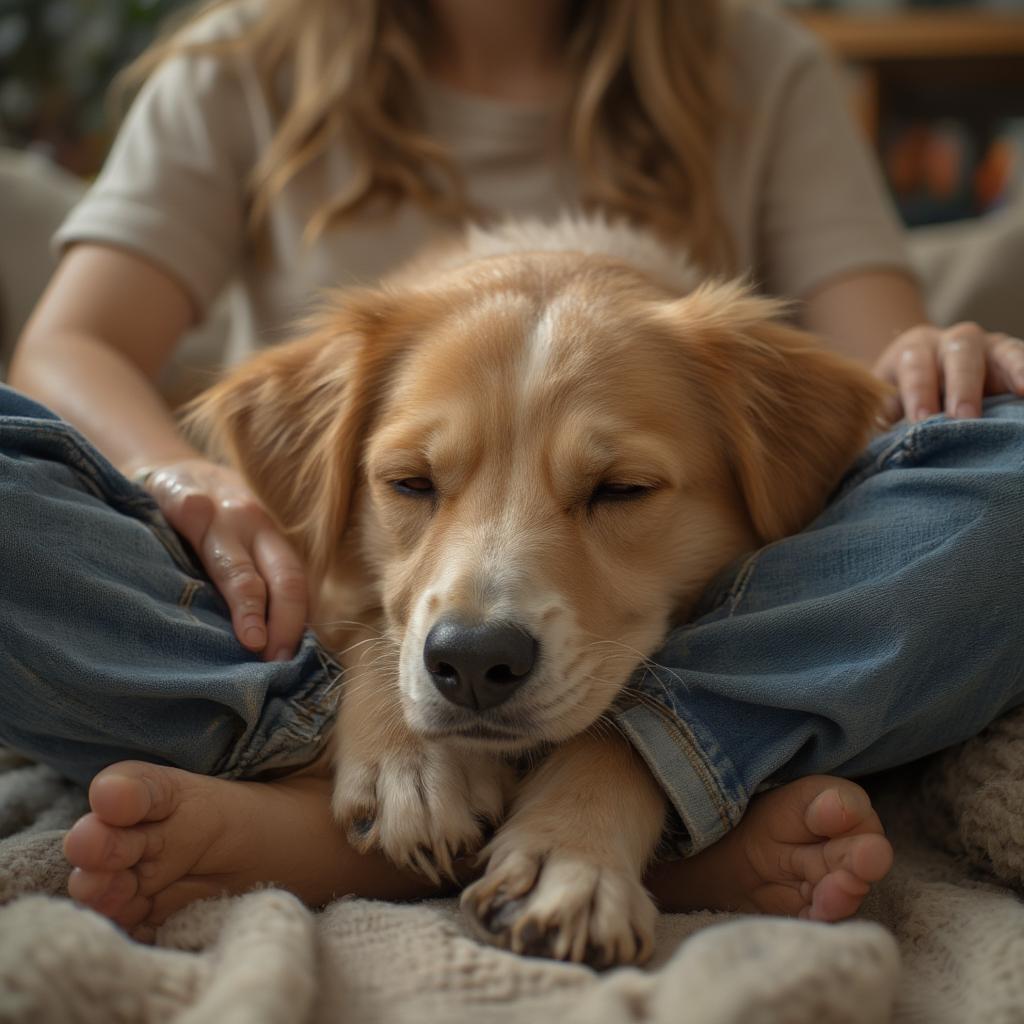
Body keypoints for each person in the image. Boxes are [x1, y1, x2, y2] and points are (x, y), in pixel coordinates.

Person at [5, 0, 1023, 938]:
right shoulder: (239, 60)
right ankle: (672, 793)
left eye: (615, 486)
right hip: (286, 617)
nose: (482, 620)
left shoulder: (759, 62)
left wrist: (949, 368)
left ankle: (622, 771)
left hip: (709, 639)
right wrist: (182, 475)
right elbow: (66, 350)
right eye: (413, 480)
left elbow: (896, 430)